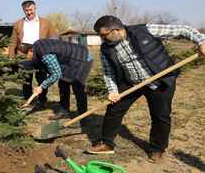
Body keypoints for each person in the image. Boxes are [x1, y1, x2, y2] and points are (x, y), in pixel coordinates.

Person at [86, 15, 205, 163]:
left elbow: (182, 29)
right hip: (131, 82)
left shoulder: (145, 31)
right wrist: (113, 91)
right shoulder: (106, 49)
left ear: (116, 30)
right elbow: (108, 71)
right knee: (114, 109)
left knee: (160, 115)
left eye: (104, 35)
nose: (102, 38)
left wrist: (201, 41)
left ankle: (157, 149)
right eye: (100, 35)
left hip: (160, 79)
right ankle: (106, 144)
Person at [23, 39, 93, 120]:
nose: (26, 57)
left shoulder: (46, 54)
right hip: (70, 60)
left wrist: (41, 86)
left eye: (26, 54)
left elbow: (56, 74)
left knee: (77, 86)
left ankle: (83, 115)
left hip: (83, 58)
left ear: (31, 50)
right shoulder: (37, 46)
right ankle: (64, 111)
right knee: (63, 83)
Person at [9, 0, 57, 108]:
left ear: (35, 8)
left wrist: (52, 52)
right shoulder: (17, 24)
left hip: (41, 55)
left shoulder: (46, 23)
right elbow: (12, 42)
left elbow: (54, 38)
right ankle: (28, 100)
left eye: (31, 9)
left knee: (42, 78)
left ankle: (42, 100)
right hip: (24, 55)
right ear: (23, 11)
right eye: (26, 10)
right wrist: (11, 57)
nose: (29, 12)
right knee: (26, 80)